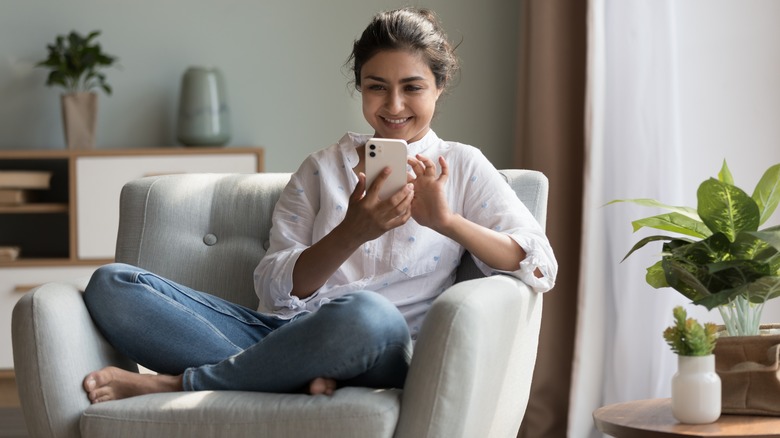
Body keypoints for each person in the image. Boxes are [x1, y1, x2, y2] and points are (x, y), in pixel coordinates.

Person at [81, 7, 557, 404]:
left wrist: (447, 222)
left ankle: (178, 384)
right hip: (283, 334)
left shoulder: (463, 166)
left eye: (412, 87)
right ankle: (290, 375)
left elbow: (538, 266)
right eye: (376, 86)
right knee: (113, 284)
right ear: (360, 87)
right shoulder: (321, 169)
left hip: (379, 343)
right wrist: (353, 231)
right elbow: (273, 289)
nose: (393, 105)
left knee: (364, 313)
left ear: (438, 87)